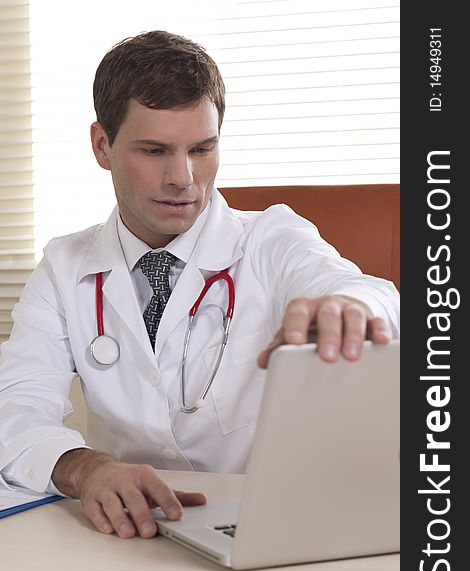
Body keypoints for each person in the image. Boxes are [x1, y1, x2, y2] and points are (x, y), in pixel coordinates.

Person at [0, 30, 399, 540]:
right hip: (131, 533)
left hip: (266, 526)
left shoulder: (271, 236)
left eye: (202, 148)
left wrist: (348, 305)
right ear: (102, 145)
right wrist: (86, 468)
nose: (184, 178)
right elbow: (17, 406)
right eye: (154, 150)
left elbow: (364, 290)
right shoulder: (65, 266)